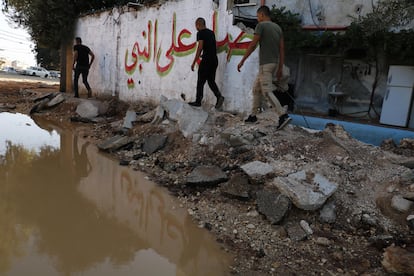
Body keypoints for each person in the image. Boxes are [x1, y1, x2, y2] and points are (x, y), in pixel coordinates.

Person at [237, 5, 291, 130]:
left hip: (265, 65)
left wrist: (242, 60)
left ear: (261, 15)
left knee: (266, 91)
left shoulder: (261, 26)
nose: (257, 19)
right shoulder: (278, 28)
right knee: (256, 89)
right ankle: (253, 115)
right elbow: (282, 49)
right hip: (275, 64)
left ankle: (282, 115)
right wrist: (280, 67)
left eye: (257, 16)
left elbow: (252, 45)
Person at [190, 17, 224, 109]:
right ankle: (219, 96)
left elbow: (200, 47)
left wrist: (194, 61)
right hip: (214, 60)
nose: (196, 27)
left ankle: (198, 101)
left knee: (200, 81)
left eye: (196, 25)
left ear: (198, 24)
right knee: (210, 81)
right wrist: (206, 54)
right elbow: (212, 46)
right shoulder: (211, 33)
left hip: (206, 61)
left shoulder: (200, 33)